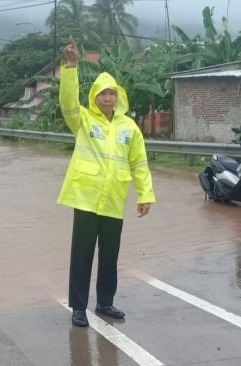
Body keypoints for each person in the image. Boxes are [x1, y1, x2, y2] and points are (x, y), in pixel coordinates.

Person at [58, 36, 155, 328]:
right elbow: (67, 104)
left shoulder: (129, 128)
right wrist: (71, 66)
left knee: (110, 256)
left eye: (112, 93)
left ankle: (105, 303)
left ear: (119, 96)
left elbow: (139, 163)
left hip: (113, 200)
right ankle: (78, 307)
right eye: (103, 94)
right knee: (82, 255)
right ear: (95, 97)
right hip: (86, 199)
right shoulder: (84, 120)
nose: (108, 98)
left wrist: (144, 194)